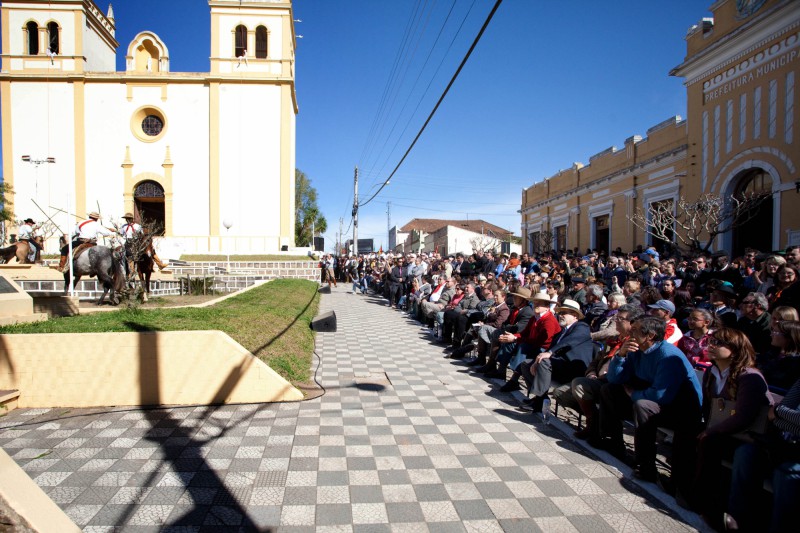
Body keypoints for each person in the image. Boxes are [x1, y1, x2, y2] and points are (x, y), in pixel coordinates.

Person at [594, 316, 703, 490]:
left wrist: (634, 394)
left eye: (635, 329)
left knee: (643, 405)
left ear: (650, 335)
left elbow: (661, 396)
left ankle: (646, 466)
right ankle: (612, 442)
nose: (630, 332)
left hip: (678, 408)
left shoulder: (668, 356)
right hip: (649, 398)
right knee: (609, 390)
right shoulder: (636, 349)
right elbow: (615, 379)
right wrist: (621, 355)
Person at [689, 327, 772, 519]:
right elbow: (708, 407)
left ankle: (726, 512)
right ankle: (690, 490)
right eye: (710, 341)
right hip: (725, 432)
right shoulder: (712, 371)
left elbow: (744, 418)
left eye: (718, 343)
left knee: (710, 442)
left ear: (734, 349)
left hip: (749, 438)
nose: (711, 346)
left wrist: (710, 431)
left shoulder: (749, 377)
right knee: (691, 431)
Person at [725, 377, 799, 533]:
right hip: (784, 446)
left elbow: (778, 412)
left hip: (794, 460)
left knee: (786, 475)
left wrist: (780, 412)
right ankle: (737, 523)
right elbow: (772, 418)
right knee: (745, 453)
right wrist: (783, 415)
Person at [567, 304, 645, 440]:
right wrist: (591, 373)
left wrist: (620, 355)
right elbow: (595, 362)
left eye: (620, 318)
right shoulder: (614, 340)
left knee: (579, 385)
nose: (616, 321)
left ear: (632, 323)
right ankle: (594, 422)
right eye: (616, 317)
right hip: (598, 380)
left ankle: (594, 427)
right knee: (562, 393)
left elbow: (624, 374)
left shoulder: (634, 344)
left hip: (615, 386)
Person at [517, 299, 594, 413]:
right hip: (558, 366)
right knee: (526, 364)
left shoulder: (582, 327)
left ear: (575, 316)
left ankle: (539, 402)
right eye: (559, 313)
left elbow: (569, 341)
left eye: (564, 313)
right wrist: (538, 358)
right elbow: (550, 348)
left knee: (544, 362)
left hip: (573, 368)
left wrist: (549, 353)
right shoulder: (561, 332)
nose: (560, 315)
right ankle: (541, 399)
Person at [497, 291, 562, 391]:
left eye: (539, 303)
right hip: (532, 344)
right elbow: (524, 333)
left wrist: (516, 338)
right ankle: (501, 371)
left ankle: (514, 379)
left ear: (546, 306)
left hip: (543, 349)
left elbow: (541, 341)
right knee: (510, 341)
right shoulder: (534, 317)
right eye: (535, 302)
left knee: (523, 346)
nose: (535, 305)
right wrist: (513, 336)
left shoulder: (549, 320)